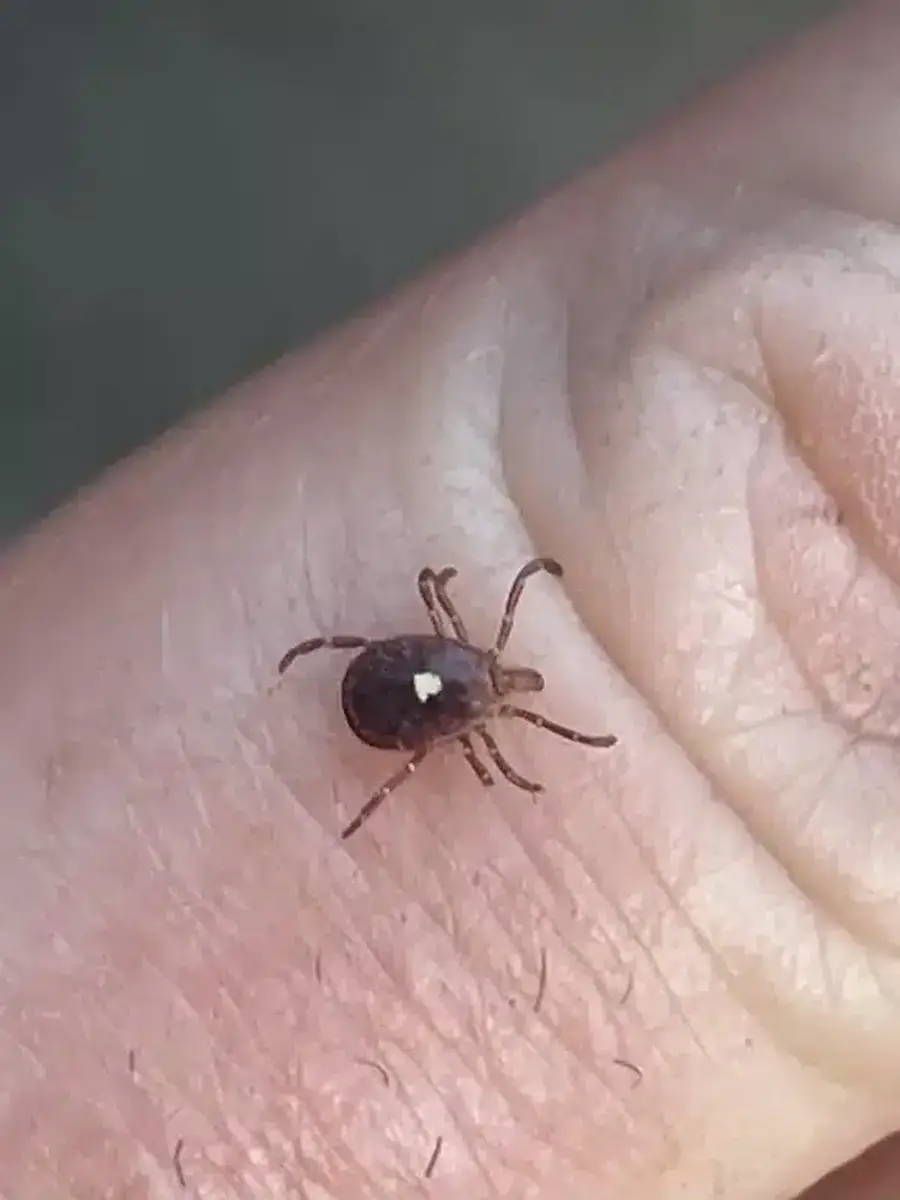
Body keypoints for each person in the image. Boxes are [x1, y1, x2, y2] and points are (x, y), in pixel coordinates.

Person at [2, 3, 899, 1196]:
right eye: (510, 677)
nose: (514, 678)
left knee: (401, 679)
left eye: (508, 682)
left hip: (384, 691)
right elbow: (473, 721)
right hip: (388, 697)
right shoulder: (473, 707)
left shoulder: (461, 676)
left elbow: (424, 656)